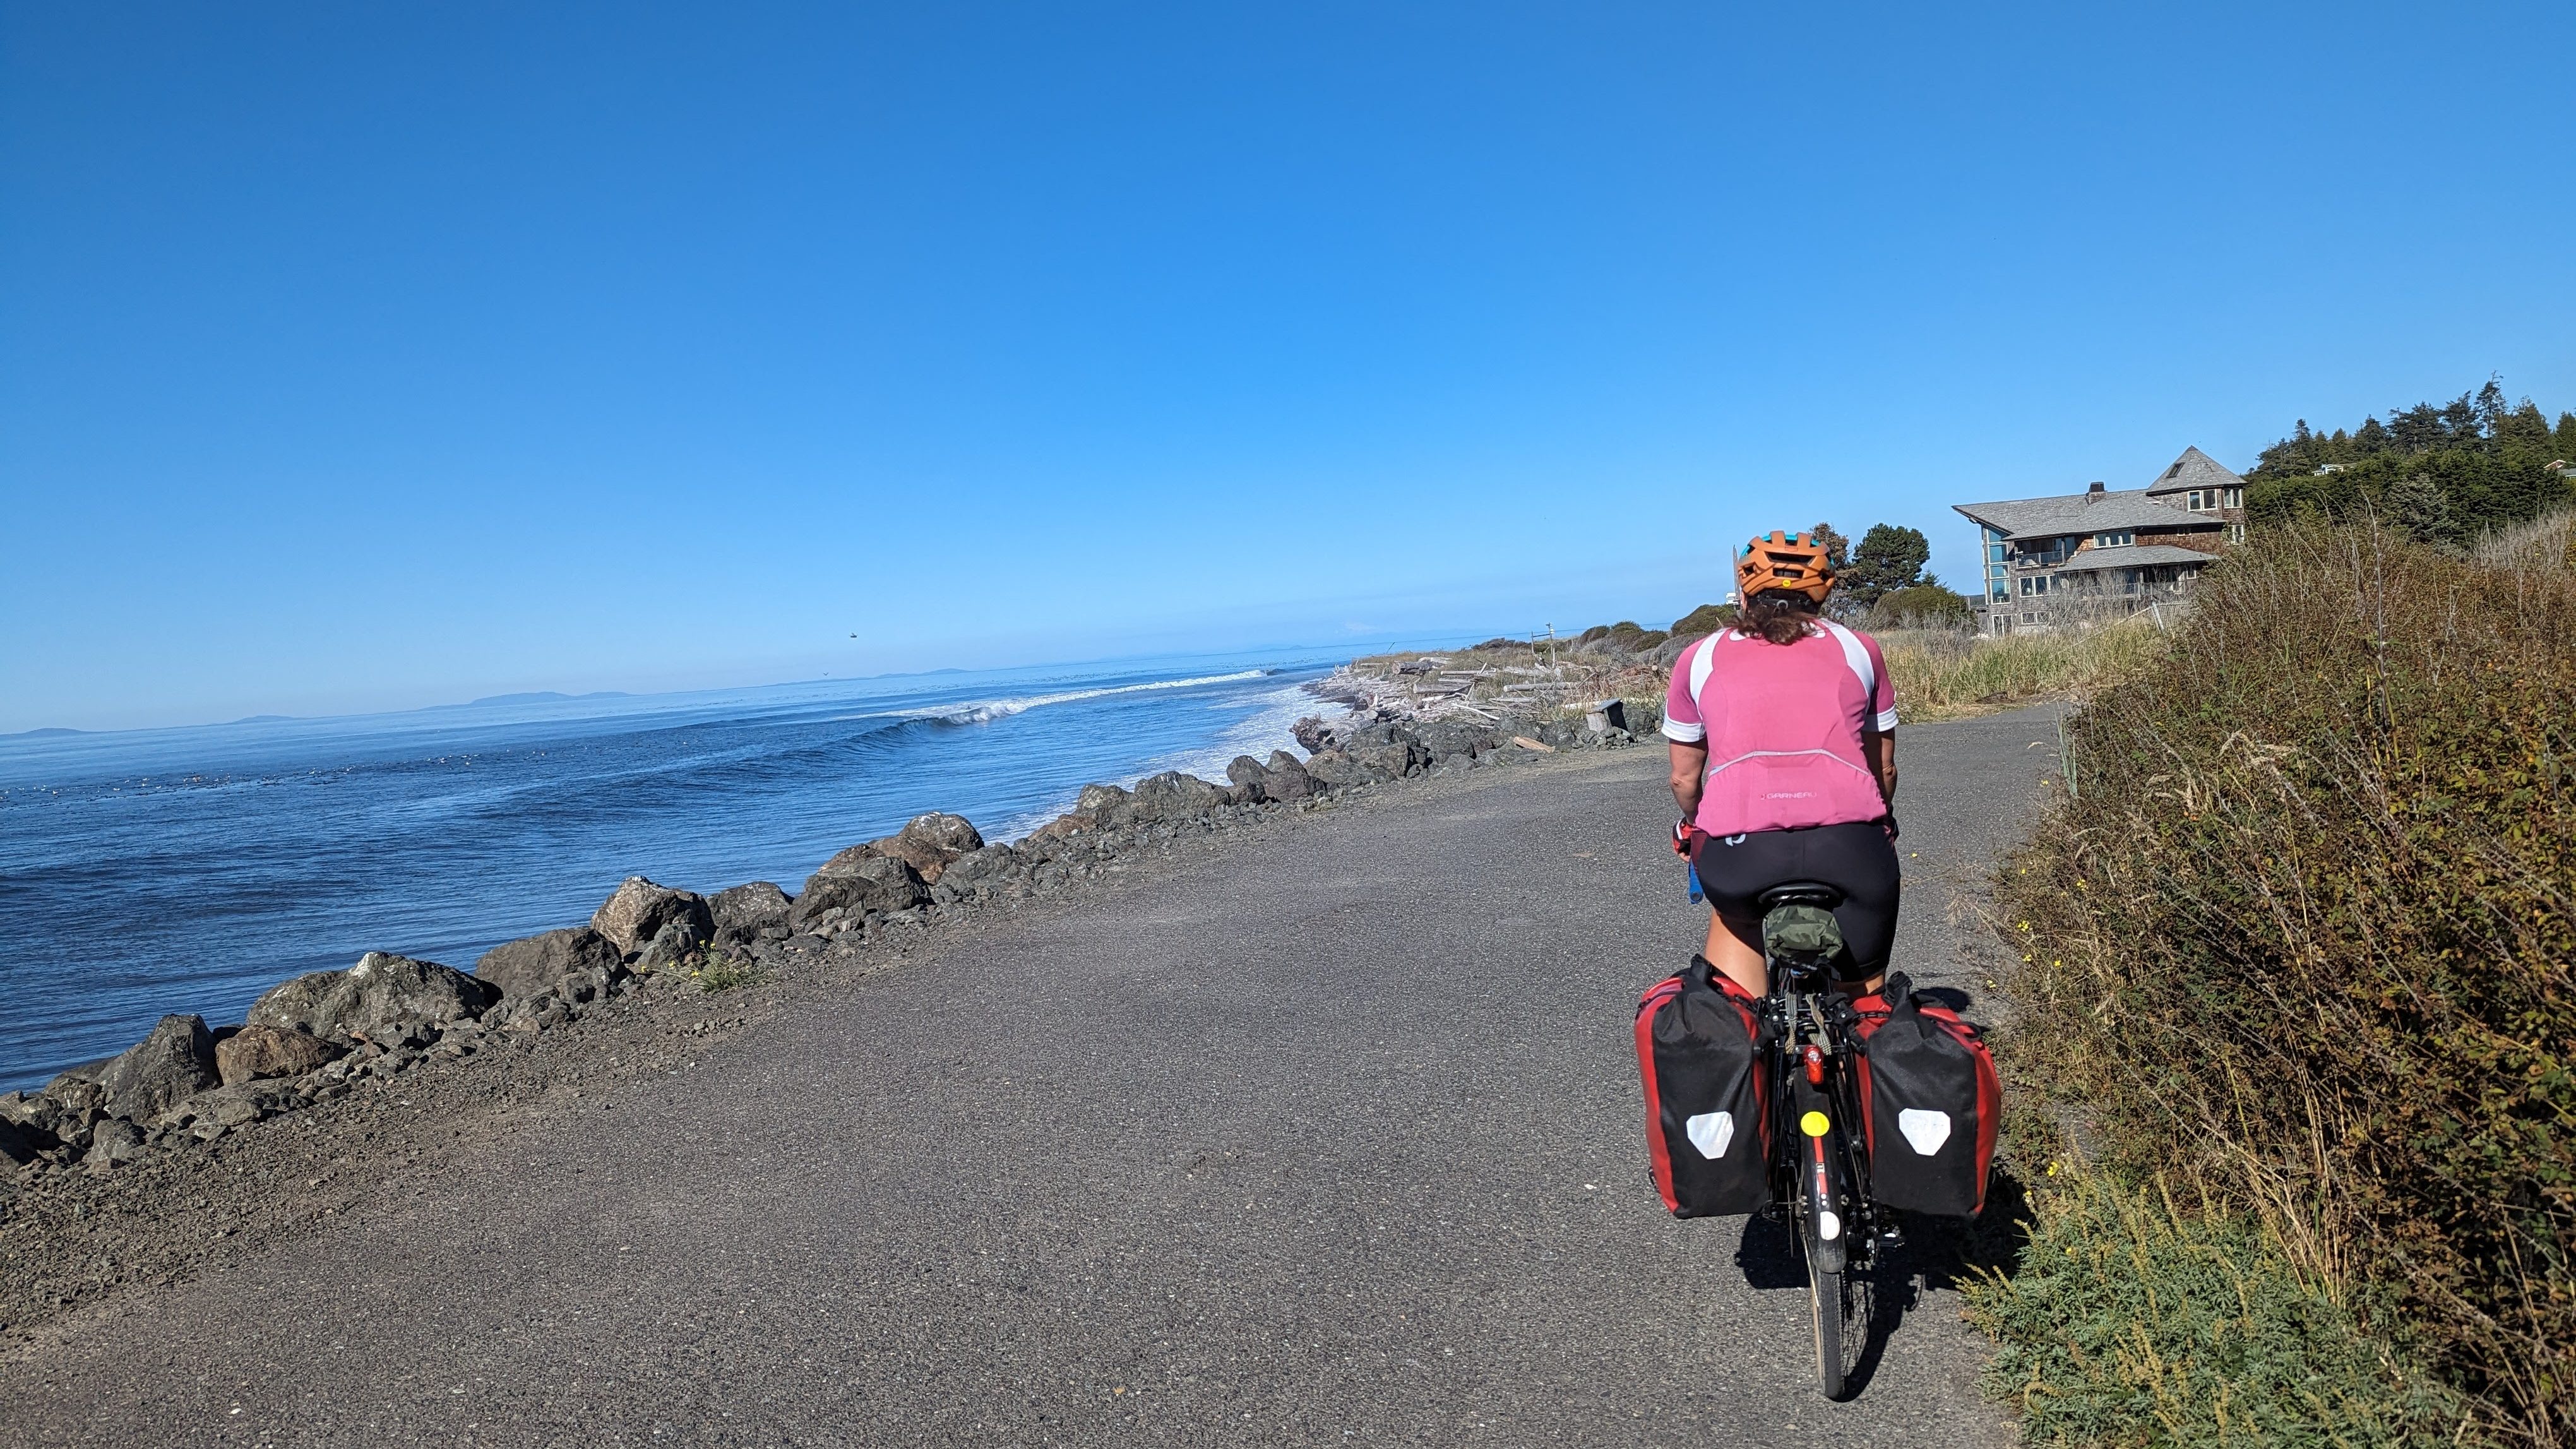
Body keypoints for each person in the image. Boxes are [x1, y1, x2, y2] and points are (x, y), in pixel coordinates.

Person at [1662, 530, 1900, 998]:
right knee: (1867, 1010)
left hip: (1739, 851)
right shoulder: (1861, 649)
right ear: (1824, 588)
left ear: (1746, 590)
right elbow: (1884, 772)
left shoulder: (1699, 657)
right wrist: (1882, 820)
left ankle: (1748, 1036)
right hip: (1851, 845)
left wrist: (1694, 826)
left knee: (1738, 1001)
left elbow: (1684, 777)